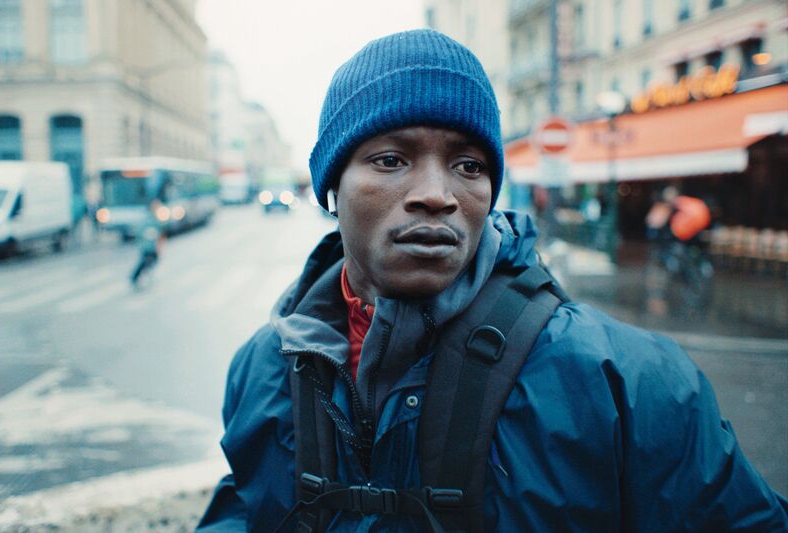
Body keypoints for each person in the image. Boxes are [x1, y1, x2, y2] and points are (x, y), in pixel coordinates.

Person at [198, 30, 787, 532]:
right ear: (331, 187)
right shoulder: (264, 368)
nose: (437, 194)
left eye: (469, 165)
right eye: (390, 159)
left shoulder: (632, 385)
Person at [130, 197, 166, 288]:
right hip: (146, 246)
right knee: (144, 262)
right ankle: (134, 277)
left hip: (153, 246)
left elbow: (161, 233)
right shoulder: (147, 219)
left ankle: (143, 275)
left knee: (150, 261)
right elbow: (139, 232)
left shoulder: (157, 219)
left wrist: (159, 245)